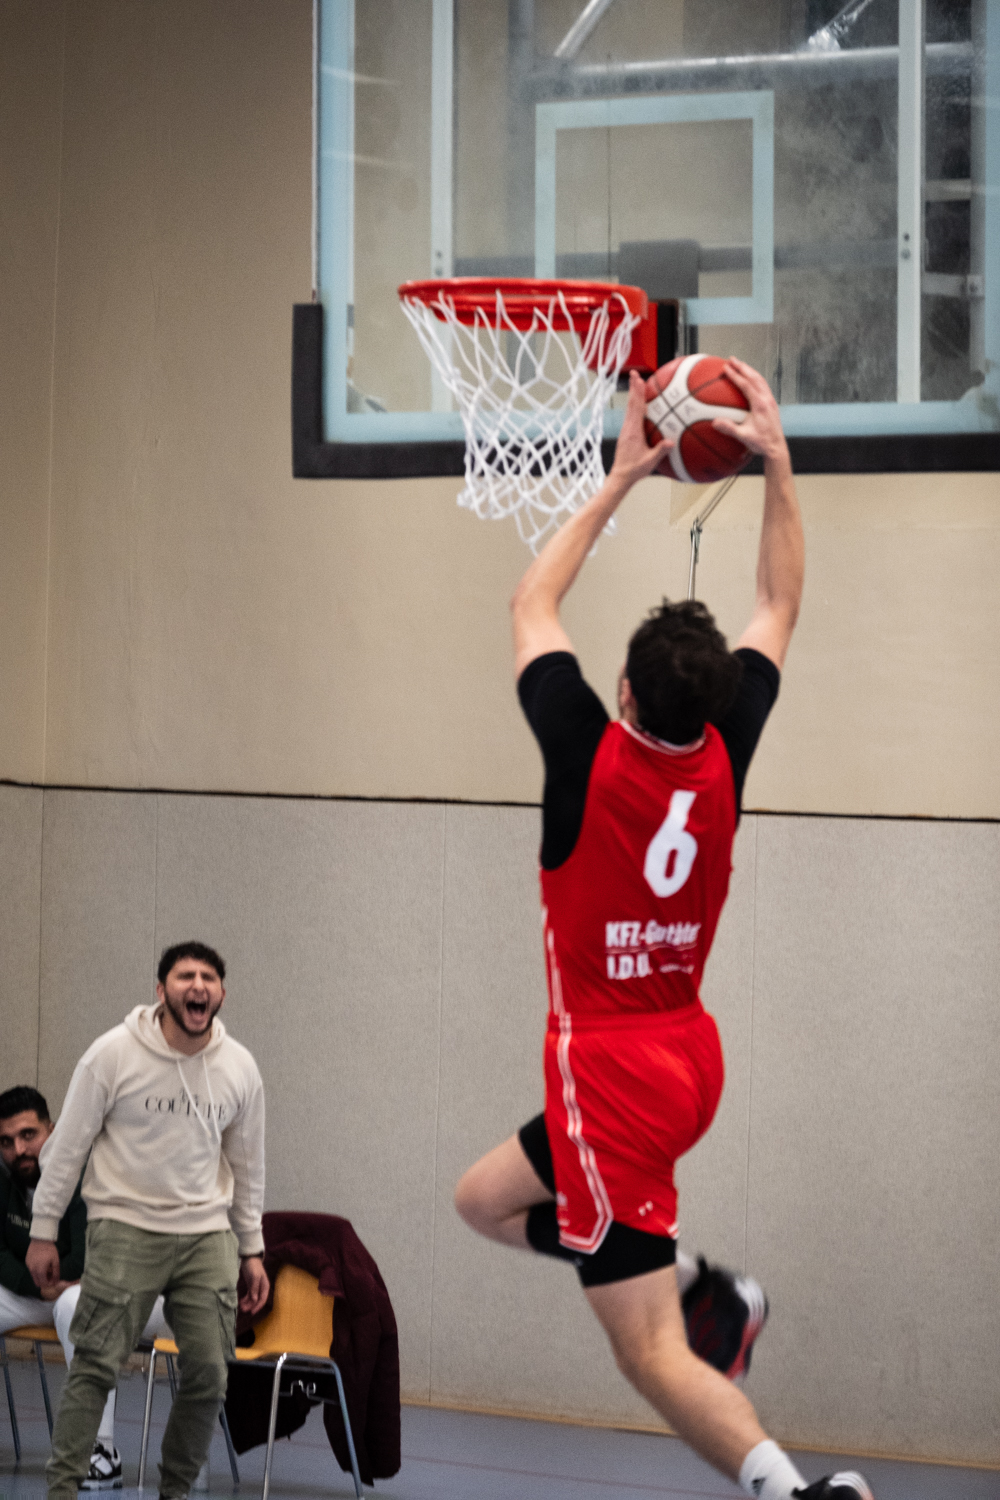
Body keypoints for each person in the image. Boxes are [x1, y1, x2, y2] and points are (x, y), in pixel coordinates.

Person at [454, 363, 874, 1500]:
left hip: (610, 1077)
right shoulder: (728, 750)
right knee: (484, 1200)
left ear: (624, 694)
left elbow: (530, 603)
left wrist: (624, 473)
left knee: (646, 1355)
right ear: (714, 702)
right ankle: (697, 1279)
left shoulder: (584, 756)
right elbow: (778, 605)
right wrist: (777, 463)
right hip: (687, 1050)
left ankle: (793, 1489)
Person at [26, 942, 269, 1500]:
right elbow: (65, 1150)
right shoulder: (112, 1054)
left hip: (207, 1235)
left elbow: (248, 1166)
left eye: (209, 977)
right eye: (185, 976)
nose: (198, 985)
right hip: (125, 1227)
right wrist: (44, 1231)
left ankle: (174, 1491)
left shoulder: (240, 1067)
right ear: (161, 991)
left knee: (210, 1372)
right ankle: (61, 1490)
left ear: (221, 994)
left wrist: (252, 1248)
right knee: (95, 1365)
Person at [0, 1085, 172, 1488]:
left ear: (52, 1130)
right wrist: (35, 1283)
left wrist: (50, 1279)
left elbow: (87, 1257)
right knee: (69, 1300)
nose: (19, 1150)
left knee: (77, 1304)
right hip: (47, 1292)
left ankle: (100, 1452)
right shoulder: (4, 1180)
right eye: (6, 1141)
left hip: (128, 1293)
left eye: (28, 1135)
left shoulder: (88, 1169)